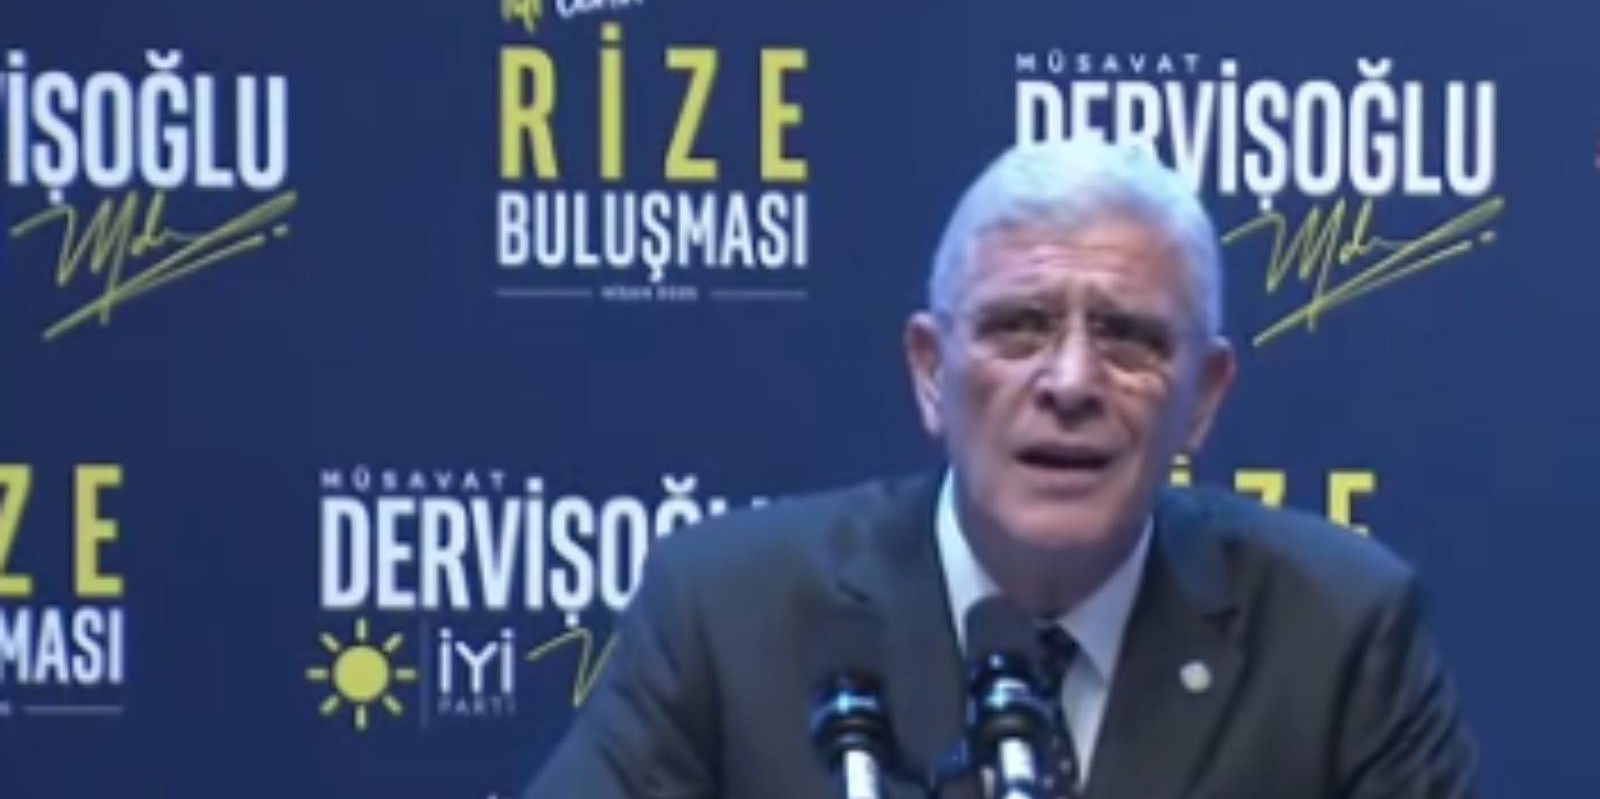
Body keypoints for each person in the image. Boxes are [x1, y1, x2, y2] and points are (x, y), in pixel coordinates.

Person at [522, 138, 1478, 799]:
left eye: (1129, 337)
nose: (1070, 382)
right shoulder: (728, 618)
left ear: (1204, 397)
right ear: (930, 373)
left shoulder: (1337, 635)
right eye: (1018, 328)